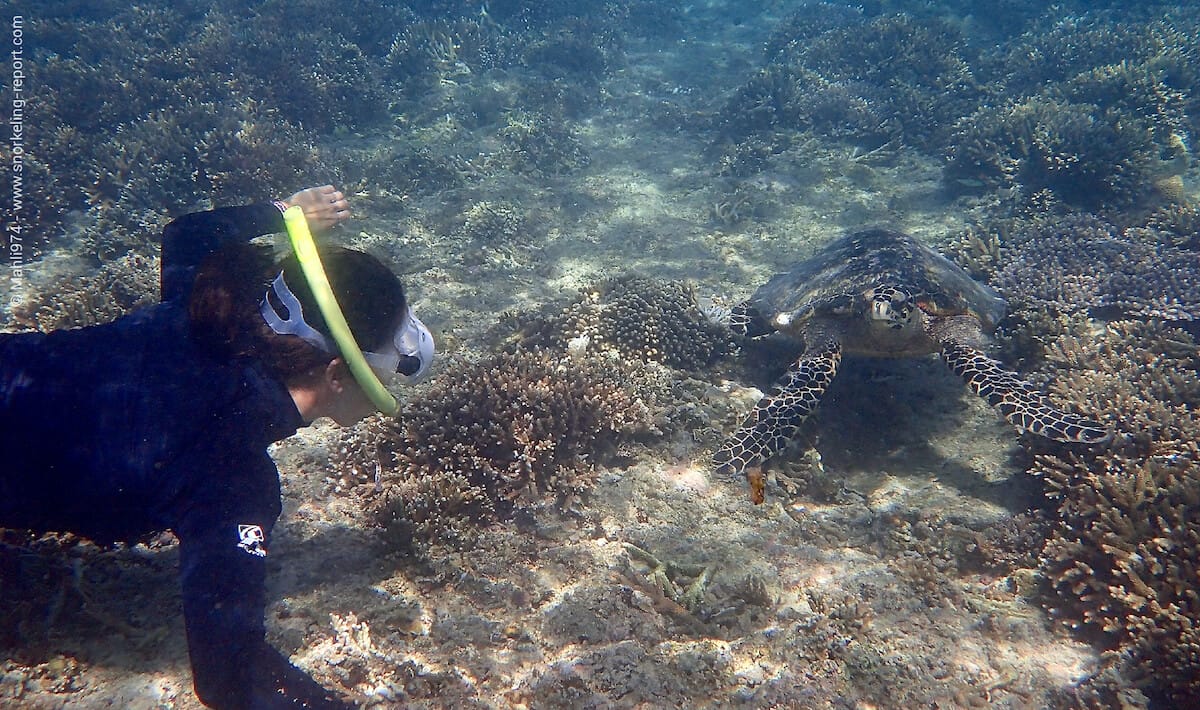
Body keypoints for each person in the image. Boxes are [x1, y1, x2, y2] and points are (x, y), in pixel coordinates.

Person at [0, 185, 433, 708]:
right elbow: (232, 673)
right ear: (339, 373)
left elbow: (187, 234)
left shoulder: (203, 303)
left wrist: (284, 214)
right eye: (387, 368)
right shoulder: (233, 477)